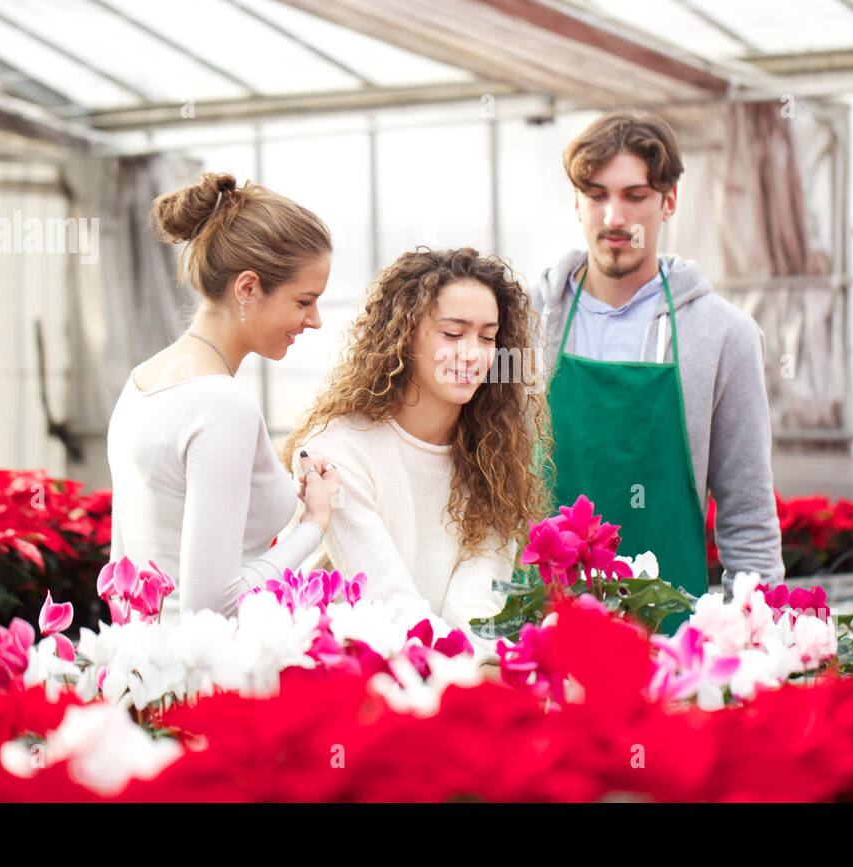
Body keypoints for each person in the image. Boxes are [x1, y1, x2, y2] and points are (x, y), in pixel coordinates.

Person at [530, 109, 784, 609]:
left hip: (672, 635)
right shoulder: (525, 323)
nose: (614, 218)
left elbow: (748, 515)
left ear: (669, 202)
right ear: (576, 202)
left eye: (634, 196)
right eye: (597, 195)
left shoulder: (724, 336)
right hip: (538, 626)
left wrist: (753, 638)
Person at [284, 247, 550, 658]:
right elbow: (387, 603)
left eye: (487, 337)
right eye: (452, 333)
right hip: (346, 680)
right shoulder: (338, 451)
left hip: (447, 682)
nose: (472, 353)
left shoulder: (496, 459)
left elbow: (476, 611)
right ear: (406, 334)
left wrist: (482, 676)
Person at [106, 173, 342, 624]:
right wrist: (314, 523)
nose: (314, 321)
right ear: (248, 289)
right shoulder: (221, 403)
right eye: (304, 301)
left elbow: (124, 568)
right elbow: (212, 607)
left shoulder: (141, 382)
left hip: (142, 668)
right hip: (208, 675)